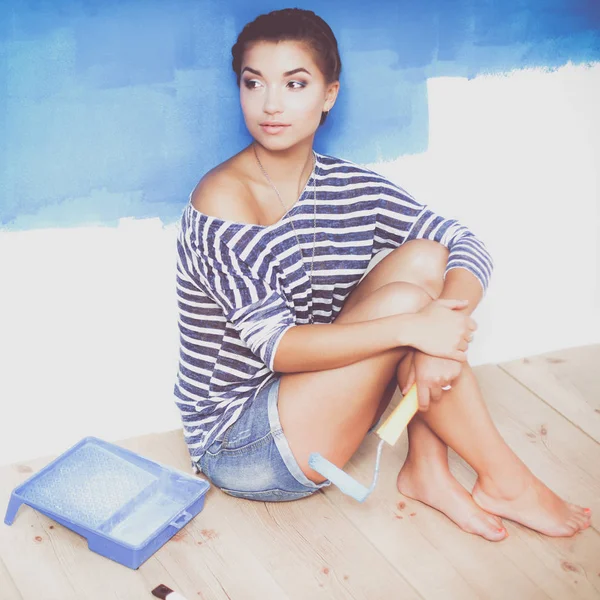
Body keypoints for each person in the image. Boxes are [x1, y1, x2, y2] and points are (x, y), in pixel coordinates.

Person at [173, 8, 591, 541]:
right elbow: (277, 348)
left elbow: (463, 242)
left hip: (315, 397)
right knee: (404, 308)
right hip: (244, 444)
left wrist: (440, 326)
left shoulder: (348, 186)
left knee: (425, 259)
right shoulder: (223, 202)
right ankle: (506, 482)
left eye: (294, 83)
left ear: (329, 94)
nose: (270, 104)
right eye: (254, 83)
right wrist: (414, 330)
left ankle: (428, 469)